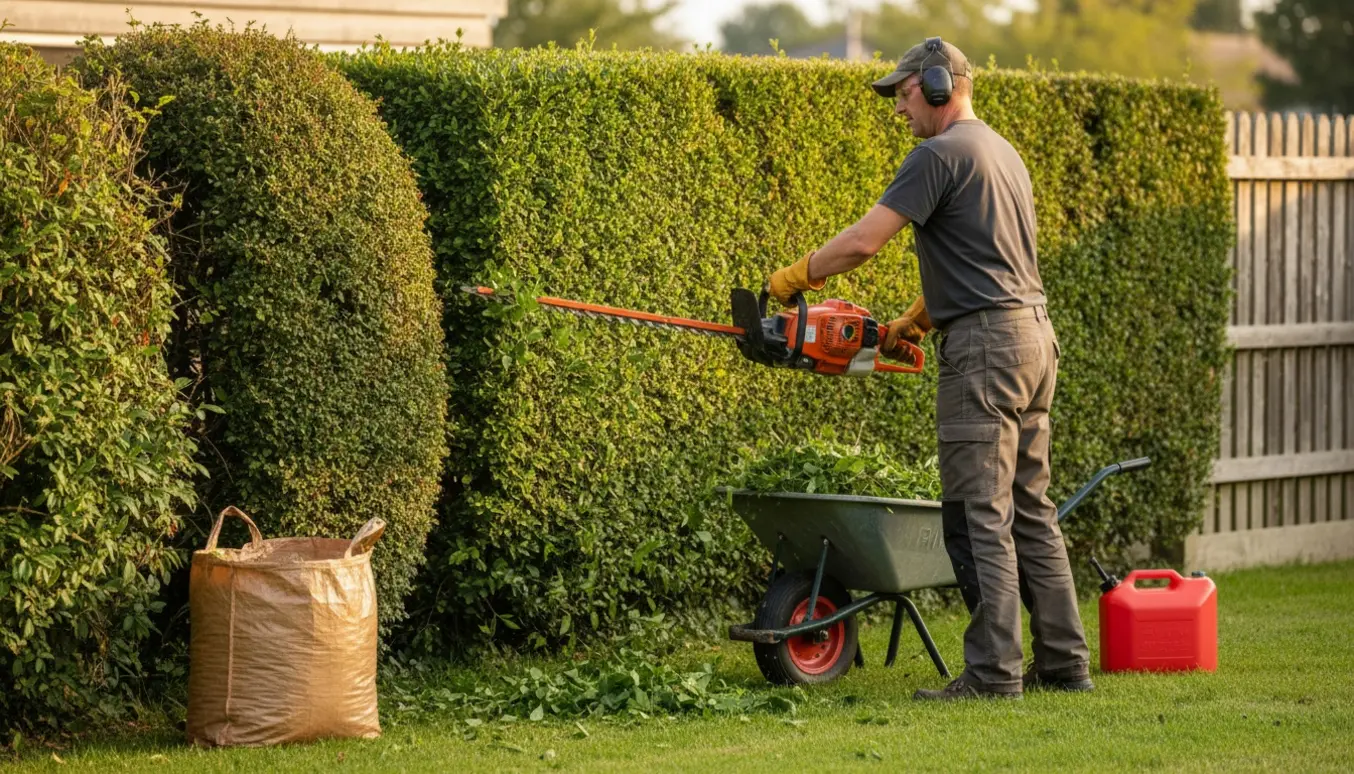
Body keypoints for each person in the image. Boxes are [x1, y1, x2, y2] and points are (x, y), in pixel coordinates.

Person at [766, 37, 1093, 701]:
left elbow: (863, 242)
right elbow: (987, 260)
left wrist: (797, 274)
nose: (898, 108)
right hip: (1033, 341)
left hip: (985, 354)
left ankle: (994, 675)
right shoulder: (1002, 152)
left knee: (980, 517)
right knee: (1032, 511)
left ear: (940, 85)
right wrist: (917, 319)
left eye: (904, 93)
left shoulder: (937, 153)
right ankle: (1064, 665)